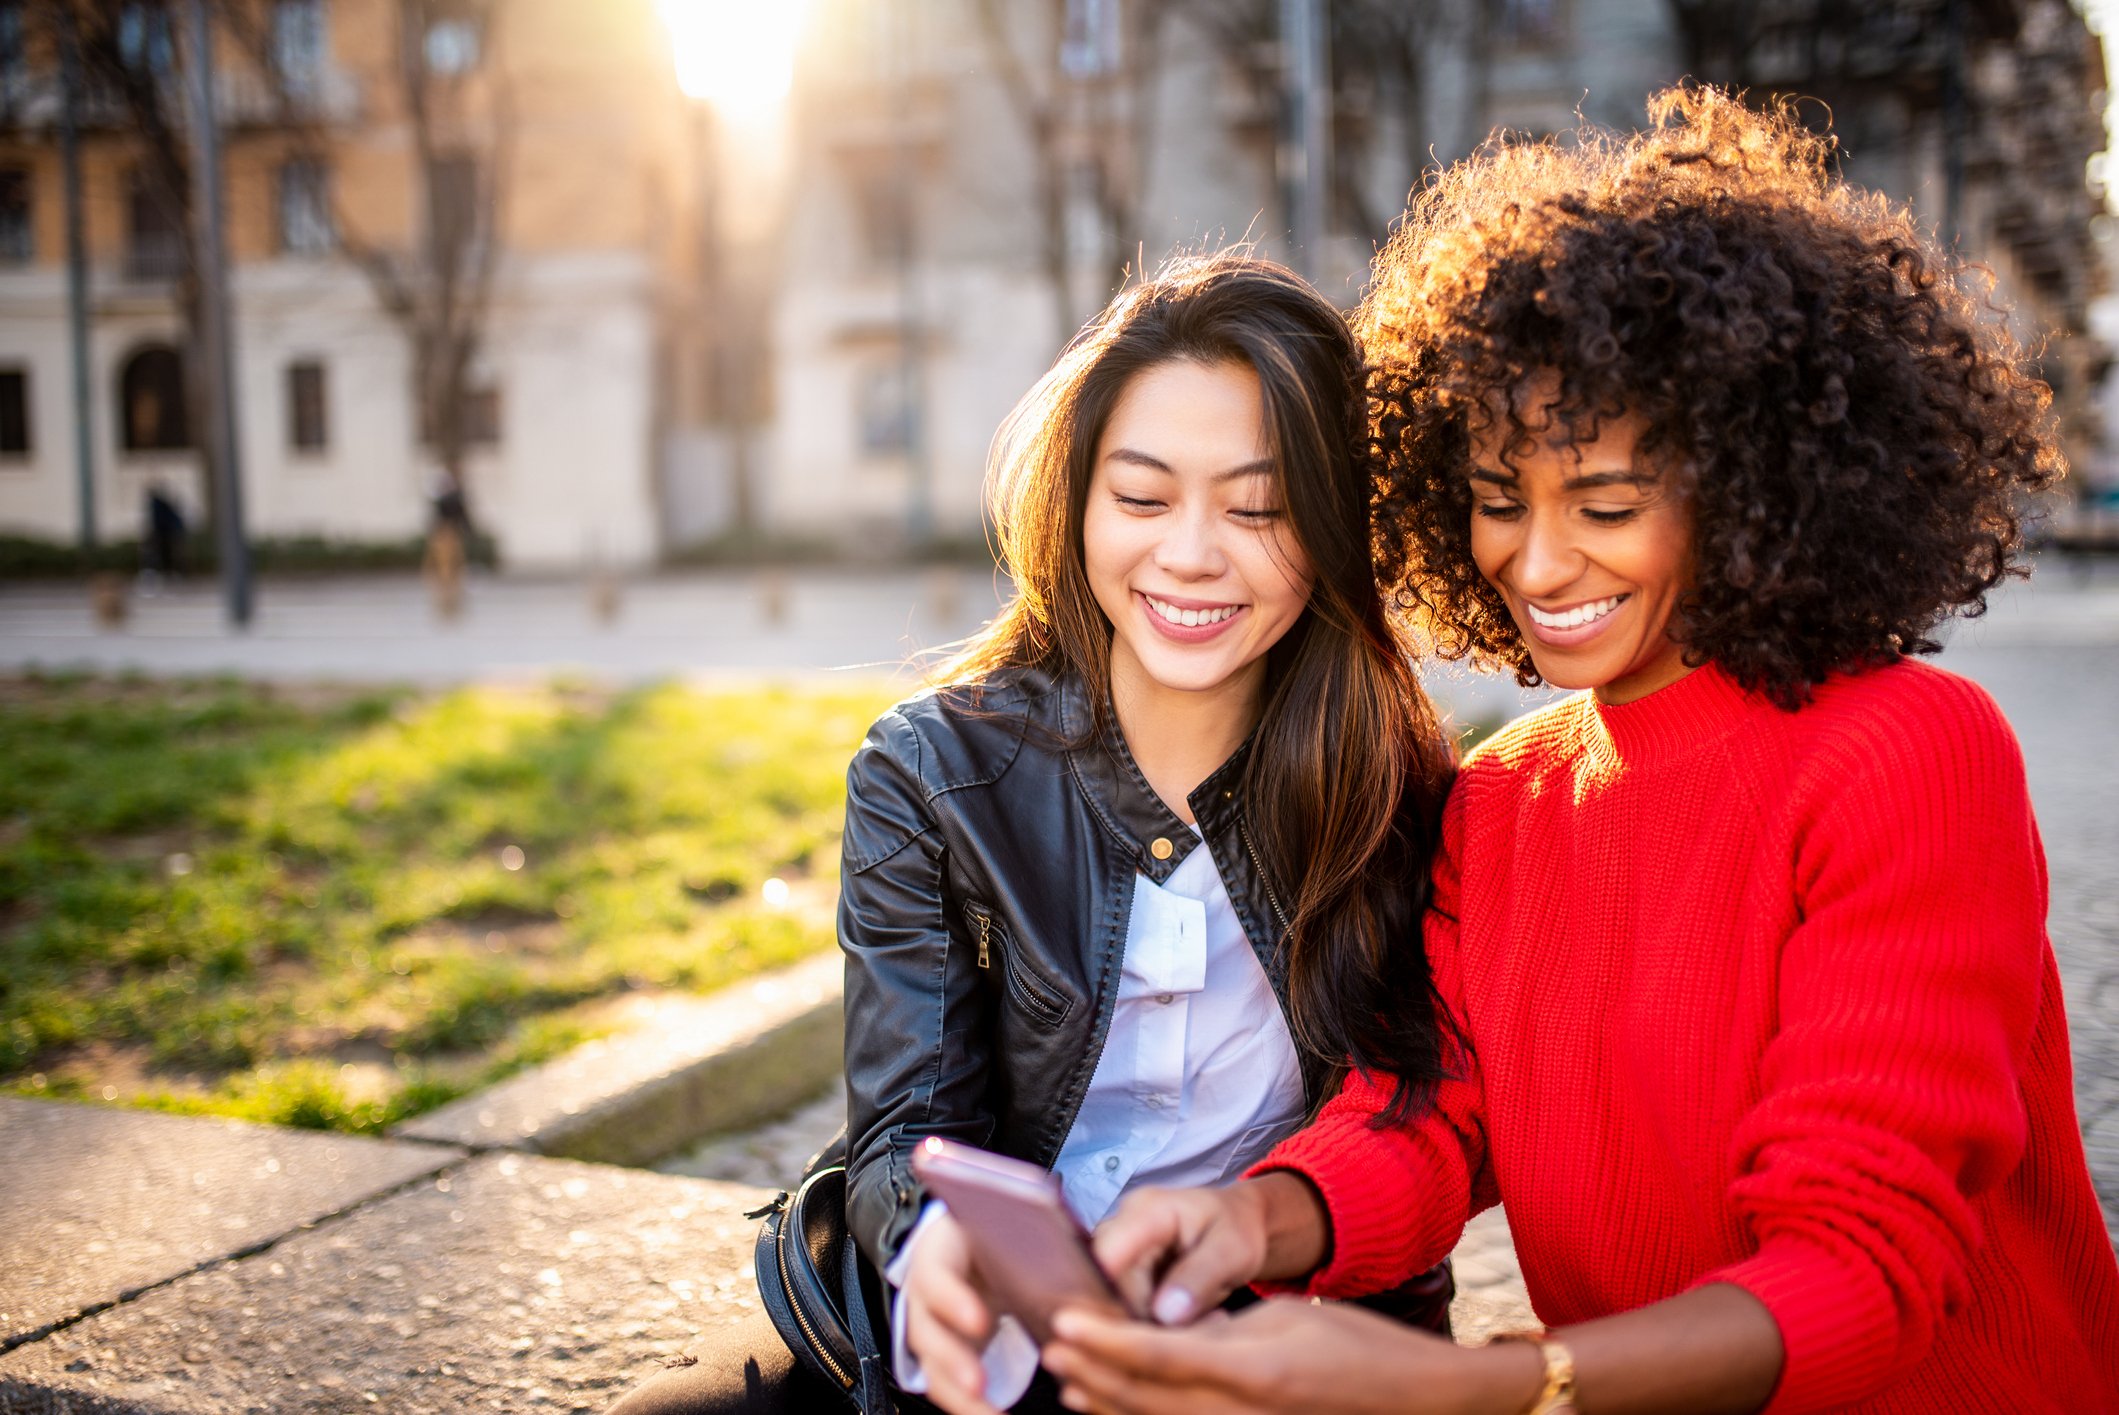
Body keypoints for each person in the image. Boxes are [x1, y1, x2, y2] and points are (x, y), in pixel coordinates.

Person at [1036, 87, 2119, 1415]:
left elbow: (1859, 1268)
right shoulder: (1499, 794)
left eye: (1603, 503)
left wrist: (1488, 1383)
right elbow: (1431, 1116)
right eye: (1496, 500)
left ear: (1747, 483)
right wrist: (1254, 1221)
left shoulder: (1904, 748)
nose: (1534, 563)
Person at [608, 254, 1457, 1415]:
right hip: (975, 1314)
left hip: (1251, 1346)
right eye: (1143, 497)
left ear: (1328, 524)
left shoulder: (1396, 788)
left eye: (1258, 507)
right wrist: (934, 1248)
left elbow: (1405, 1137)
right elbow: (908, 1124)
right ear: (1079, 502)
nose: (1193, 552)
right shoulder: (930, 773)